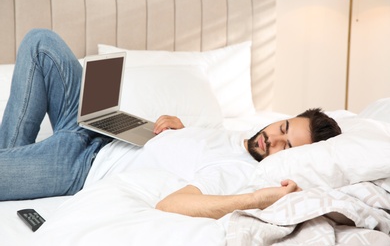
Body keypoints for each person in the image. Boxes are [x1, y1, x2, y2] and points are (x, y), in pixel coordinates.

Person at [0, 29, 341, 219]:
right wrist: (183, 129)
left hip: (82, 165)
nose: (272, 140)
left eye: (287, 146)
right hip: (100, 127)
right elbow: (190, 151)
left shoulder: (239, 172)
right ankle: (13, 157)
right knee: (41, 42)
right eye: (281, 128)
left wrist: (256, 199)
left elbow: (173, 204)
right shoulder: (235, 135)